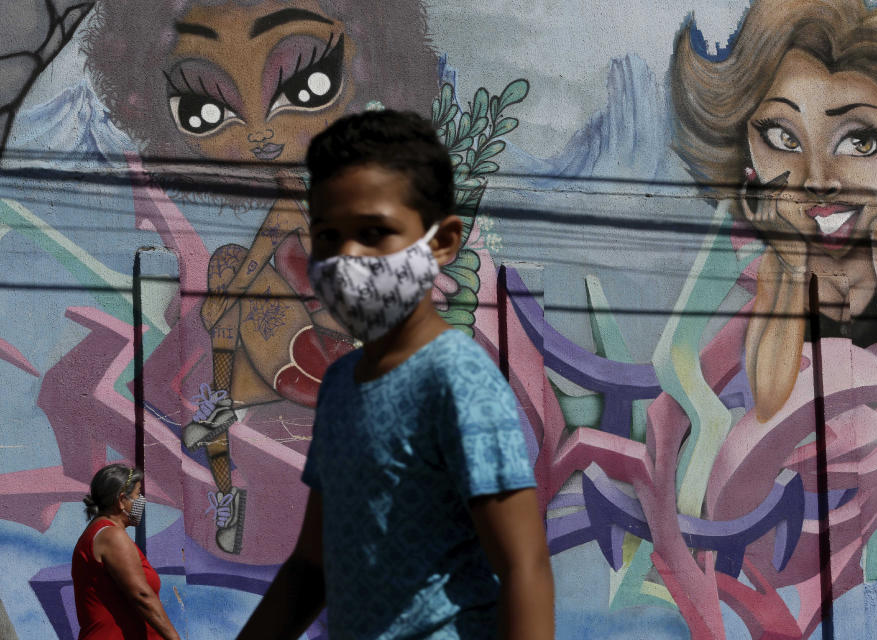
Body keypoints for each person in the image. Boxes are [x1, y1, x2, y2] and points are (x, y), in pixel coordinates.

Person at [82, 0, 439, 553]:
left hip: (337, 356)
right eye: (206, 109)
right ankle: (227, 461)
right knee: (228, 276)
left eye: (309, 82)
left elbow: (295, 244)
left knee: (230, 275)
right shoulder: (301, 192)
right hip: (292, 350)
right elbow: (270, 244)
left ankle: (228, 408)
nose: (261, 132)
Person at [237, 110, 555, 639]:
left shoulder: (457, 378)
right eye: (327, 235)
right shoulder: (341, 387)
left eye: (374, 232)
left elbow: (525, 566)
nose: (346, 258)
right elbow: (311, 567)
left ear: (443, 243)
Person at [670, 0, 877, 421]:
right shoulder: (772, 268)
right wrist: (790, 265)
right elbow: (770, 407)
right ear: (748, 154)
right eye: (783, 139)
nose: (818, 179)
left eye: (861, 143)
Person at [72, 464, 180, 640]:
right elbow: (141, 594)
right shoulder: (111, 536)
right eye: (137, 494)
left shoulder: (100, 533)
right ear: (121, 500)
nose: (141, 500)